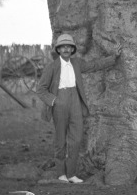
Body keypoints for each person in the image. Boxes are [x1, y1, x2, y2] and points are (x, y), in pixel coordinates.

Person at [35, 33, 119, 183]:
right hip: (59, 101)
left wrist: (113, 59)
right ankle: (61, 173)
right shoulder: (52, 67)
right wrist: (54, 101)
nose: (66, 49)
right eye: (63, 47)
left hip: (75, 101)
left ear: (72, 49)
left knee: (76, 138)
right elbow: (41, 89)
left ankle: (72, 173)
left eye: (69, 46)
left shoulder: (77, 63)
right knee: (60, 139)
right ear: (58, 50)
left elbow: (93, 66)